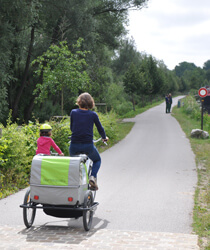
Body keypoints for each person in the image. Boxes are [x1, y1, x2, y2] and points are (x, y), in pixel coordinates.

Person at [69, 92, 108, 191]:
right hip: (88, 145)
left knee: (73, 164)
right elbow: (100, 128)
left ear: (79, 102)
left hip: (74, 145)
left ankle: (72, 181)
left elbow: (72, 128)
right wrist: (104, 137)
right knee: (97, 160)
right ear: (91, 103)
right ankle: (92, 177)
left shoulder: (73, 112)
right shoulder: (93, 114)